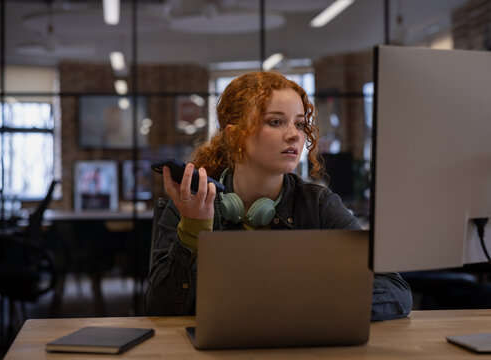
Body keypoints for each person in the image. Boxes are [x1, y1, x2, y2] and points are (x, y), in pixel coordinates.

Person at [145, 71, 412, 321]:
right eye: (276, 122)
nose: (294, 135)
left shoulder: (319, 206)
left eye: (299, 124)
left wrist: (304, 308)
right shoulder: (188, 204)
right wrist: (194, 229)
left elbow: (395, 290)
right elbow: (161, 308)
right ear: (236, 136)